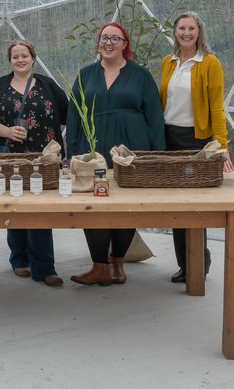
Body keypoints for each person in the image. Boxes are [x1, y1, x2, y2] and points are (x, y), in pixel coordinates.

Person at [66, 23, 165, 286]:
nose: (108, 43)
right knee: (93, 204)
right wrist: (73, 153)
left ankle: (117, 262)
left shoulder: (141, 76)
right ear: (98, 43)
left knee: (127, 205)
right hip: (93, 149)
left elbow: (154, 117)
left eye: (115, 38)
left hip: (131, 149)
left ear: (125, 44)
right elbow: (74, 114)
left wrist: (157, 155)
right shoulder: (85, 74)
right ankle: (99, 265)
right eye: (104, 38)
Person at [0, 40, 69, 288]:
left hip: (43, 160)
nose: (20, 60)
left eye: (24, 55)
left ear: (33, 58)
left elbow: (66, 112)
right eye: (15, 56)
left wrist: (47, 137)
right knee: (14, 207)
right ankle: (19, 259)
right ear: (10, 60)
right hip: (9, 159)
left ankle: (44, 268)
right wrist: (7, 131)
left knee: (40, 211)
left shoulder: (48, 85)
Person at [158, 11, 234, 284]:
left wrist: (221, 145)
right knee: (175, 206)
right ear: (175, 32)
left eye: (191, 28)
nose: (186, 33)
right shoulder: (168, 62)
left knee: (193, 205)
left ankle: (198, 261)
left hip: (195, 140)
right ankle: (184, 264)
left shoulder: (209, 63)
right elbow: (163, 102)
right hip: (169, 139)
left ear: (199, 32)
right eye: (181, 28)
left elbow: (216, 106)